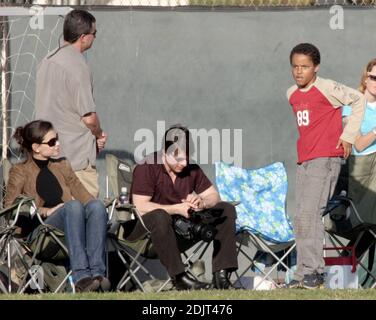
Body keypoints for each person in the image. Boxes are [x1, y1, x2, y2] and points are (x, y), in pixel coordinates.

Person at [286, 43, 365, 289]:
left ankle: (315, 273)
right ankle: (303, 274)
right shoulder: (291, 93)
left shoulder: (328, 87)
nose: (299, 72)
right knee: (300, 217)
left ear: (316, 67)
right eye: (295, 67)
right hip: (305, 161)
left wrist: (348, 135)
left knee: (310, 214)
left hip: (326, 159)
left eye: (305, 67)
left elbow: (359, 99)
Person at [128, 125, 238, 290]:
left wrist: (201, 201)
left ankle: (221, 276)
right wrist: (176, 209)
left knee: (226, 209)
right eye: (179, 158)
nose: (185, 163)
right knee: (160, 215)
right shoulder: (147, 167)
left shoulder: (191, 169)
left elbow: (214, 196)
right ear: (164, 153)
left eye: (187, 157)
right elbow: (140, 206)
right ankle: (179, 278)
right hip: (148, 236)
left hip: (183, 231)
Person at [4, 120, 109, 293]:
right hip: (38, 234)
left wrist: (97, 208)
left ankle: (97, 275)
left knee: (96, 206)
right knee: (73, 206)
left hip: (69, 224)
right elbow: (10, 209)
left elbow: (85, 196)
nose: (58, 144)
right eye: (52, 142)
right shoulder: (19, 171)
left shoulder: (62, 165)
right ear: (37, 147)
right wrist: (45, 211)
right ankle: (81, 277)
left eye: (58, 139)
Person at [35, 9, 107, 198]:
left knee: (55, 222)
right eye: (94, 34)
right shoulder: (78, 66)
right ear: (83, 37)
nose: (95, 37)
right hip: (75, 165)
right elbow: (89, 118)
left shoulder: (46, 61)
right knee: (86, 220)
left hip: (47, 162)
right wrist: (99, 134)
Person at [339, 58, 376, 232]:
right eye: (374, 77)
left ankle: (348, 257)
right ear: (365, 78)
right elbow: (359, 145)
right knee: (365, 223)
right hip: (361, 171)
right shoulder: (352, 105)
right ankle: (347, 258)